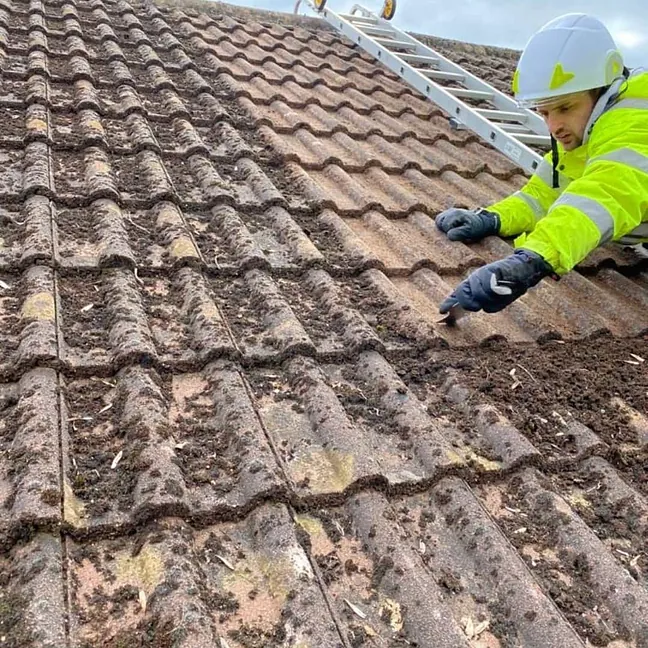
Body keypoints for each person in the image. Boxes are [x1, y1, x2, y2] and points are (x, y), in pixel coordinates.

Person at [436, 13, 648, 317]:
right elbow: (540, 198)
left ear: (602, 90)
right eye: (545, 112)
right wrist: (491, 219)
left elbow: (609, 191)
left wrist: (533, 259)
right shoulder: (583, 137)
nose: (554, 126)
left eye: (565, 107)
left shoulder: (636, 119)